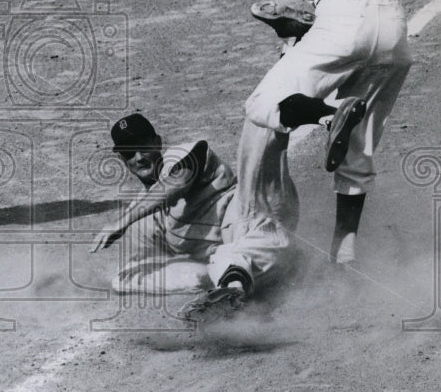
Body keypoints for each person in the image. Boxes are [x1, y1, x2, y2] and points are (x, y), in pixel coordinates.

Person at [237, 0, 412, 264]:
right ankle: (345, 250)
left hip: (343, 23)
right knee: (359, 149)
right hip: (393, 30)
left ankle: (329, 113)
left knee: (262, 105)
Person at [90, 113, 295, 320]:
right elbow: (149, 260)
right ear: (122, 160)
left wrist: (123, 222)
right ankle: (227, 291)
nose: (139, 157)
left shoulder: (181, 155)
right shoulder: (142, 218)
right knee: (124, 277)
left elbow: (176, 184)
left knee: (259, 123)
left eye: (143, 146)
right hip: (238, 263)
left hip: (257, 220)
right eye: (129, 152)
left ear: (157, 142)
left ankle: (233, 300)